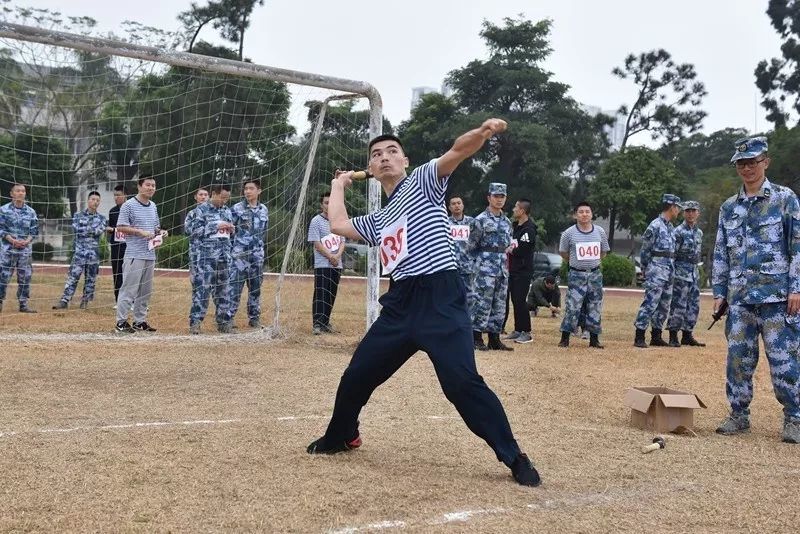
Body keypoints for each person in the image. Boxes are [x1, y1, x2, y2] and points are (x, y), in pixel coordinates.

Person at [306, 120, 541, 487]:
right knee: (356, 375)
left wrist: (482, 132)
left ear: (405, 160)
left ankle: (514, 456)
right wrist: (338, 185)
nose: (384, 158)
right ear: (371, 168)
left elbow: (457, 151)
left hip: (441, 300)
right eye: (376, 155)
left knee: (461, 384)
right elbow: (337, 223)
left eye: (392, 152)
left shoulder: (423, 182)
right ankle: (342, 435)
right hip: (400, 304)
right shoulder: (378, 219)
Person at [712, 136, 800, 443]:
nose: (747, 169)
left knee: (785, 360)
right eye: (741, 164)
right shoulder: (728, 208)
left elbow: (797, 245)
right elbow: (720, 251)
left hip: (778, 298)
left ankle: (794, 418)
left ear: (766, 162)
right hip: (740, 299)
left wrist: (797, 288)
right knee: (738, 359)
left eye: (752, 162)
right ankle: (738, 414)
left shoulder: (785, 199)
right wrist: (719, 292)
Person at [114, 174, 167, 333]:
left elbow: (155, 227)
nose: (151, 188)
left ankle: (140, 321)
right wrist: (140, 232)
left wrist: (161, 232)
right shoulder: (128, 205)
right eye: (148, 185)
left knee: (145, 292)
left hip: (150, 254)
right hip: (134, 255)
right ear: (139, 186)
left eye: (153, 185)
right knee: (129, 290)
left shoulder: (153, 206)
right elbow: (121, 227)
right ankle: (121, 322)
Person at [468, 183, 514, 351]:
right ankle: (476, 337)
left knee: (499, 303)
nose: (499, 199)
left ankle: (494, 338)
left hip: (502, 267)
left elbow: (508, 244)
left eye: (502, 197)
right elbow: (471, 246)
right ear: (489, 198)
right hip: (485, 268)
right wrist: (477, 267)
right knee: (481, 302)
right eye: (496, 196)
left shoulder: (507, 222)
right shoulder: (479, 220)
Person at [558, 201, 610, 348]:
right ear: (575, 215)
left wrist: (592, 262)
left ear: (592, 214)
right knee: (572, 306)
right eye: (581, 212)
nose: (584, 214)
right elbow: (563, 252)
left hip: (595, 275)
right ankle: (565, 337)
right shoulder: (568, 233)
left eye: (587, 211)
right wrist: (575, 262)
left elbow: (604, 252)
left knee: (595, 306)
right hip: (576, 275)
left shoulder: (600, 231)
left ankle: (594, 339)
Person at [633, 194, 681, 348]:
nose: (678, 211)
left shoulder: (670, 227)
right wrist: (645, 268)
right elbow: (645, 249)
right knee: (650, 302)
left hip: (669, 270)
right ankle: (639, 335)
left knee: (664, 304)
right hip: (656, 269)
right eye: (678, 207)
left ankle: (656, 335)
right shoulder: (654, 226)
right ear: (672, 207)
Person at [186, 183, 234, 334]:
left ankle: (224, 322)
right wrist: (215, 226)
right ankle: (195, 323)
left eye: (227, 199)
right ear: (214, 194)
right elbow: (191, 231)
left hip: (224, 257)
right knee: (202, 290)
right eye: (222, 197)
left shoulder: (227, 211)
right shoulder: (200, 210)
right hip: (205, 258)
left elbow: (229, 235)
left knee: (224, 290)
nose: (224, 201)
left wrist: (231, 229)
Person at [53, 191, 108, 310]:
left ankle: (85, 301)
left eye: (97, 200)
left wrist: (87, 229)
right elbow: (78, 229)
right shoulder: (78, 215)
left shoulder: (102, 218)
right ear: (88, 201)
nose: (95, 202)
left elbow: (100, 230)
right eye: (93, 199)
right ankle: (64, 300)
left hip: (93, 255)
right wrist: (92, 229)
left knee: (91, 279)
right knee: (73, 277)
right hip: (79, 254)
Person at [227, 178, 269, 328]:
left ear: (259, 191)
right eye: (246, 189)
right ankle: (228, 318)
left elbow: (264, 231)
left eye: (251, 188)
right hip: (239, 256)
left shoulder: (264, 209)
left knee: (255, 288)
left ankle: (254, 318)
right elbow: (229, 231)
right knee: (234, 288)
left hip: (257, 256)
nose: (248, 191)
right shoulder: (236, 209)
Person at [666, 200, 705, 347]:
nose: (691, 214)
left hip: (694, 273)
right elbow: (672, 254)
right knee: (678, 305)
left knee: (693, 305)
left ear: (698, 213)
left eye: (694, 211)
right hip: (680, 274)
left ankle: (687, 335)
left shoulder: (699, 232)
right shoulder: (678, 232)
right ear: (683, 213)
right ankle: (673, 335)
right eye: (688, 211)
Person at [308, 191, 343, 335]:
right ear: (321, 205)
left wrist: (337, 256)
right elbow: (316, 243)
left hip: (336, 264)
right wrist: (330, 256)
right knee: (321, 293)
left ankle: (326, 322)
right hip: (323, 264)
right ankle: (317, 323)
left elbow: (343, 241)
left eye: (331, 202)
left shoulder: (338, 221)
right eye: (326, 203)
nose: (328, 205)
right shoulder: (316, 221)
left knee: (331, 294)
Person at [0, 183, 39, 313]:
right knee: (3, 276)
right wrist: (12, 240)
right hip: (7, 249)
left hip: (24, 250)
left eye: (23, 191)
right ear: (12, 193)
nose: (21, 193)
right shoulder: (3, 210)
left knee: (25, 277)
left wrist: (26, 241)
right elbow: (1, 229)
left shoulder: (31, 212)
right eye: (18, 191)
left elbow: (34, 231)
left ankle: (23, 304)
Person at [504, 198, 537, 344]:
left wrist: (510, 250)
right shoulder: (515, 226)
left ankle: (526, 332)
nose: (513, 209)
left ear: (522, 211)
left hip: (523, 271)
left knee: (519, 300)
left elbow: (523, 249)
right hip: (512, 269)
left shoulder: (529, 229)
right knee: (514, 300)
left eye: (516, 207)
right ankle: (518, 330)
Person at [447, 196, 474, 290]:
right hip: (451, 267)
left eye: (459, 203)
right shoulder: (445, 223)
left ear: (463, 206)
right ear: (449, 208)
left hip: (468, 267)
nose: (456, 206)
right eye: (453, 204)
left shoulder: (472, 222)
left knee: (469, 298)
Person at [107, 185, 128, 304]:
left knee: (129, 273)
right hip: (116, 246)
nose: (116, 198)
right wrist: (112, 230)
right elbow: (111, 227)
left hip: (129, 246)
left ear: (125, 195)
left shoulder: (131, 209)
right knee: (117, 272)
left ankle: (131, 300)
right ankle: (118, 300)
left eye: (118, 195)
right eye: (115, 195)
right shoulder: (112, 211)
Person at [184, 187, 210, 277]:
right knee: (196, 279)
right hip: (196, 251)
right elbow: (188, 230)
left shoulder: (214, 213)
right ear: (195, 197)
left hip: (212, 252)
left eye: (206, 195)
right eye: (201, 195)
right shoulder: (192, 214)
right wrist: (209, 229)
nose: (203, 197)